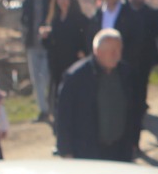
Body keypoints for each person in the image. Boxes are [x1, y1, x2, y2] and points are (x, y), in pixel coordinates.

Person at [53, 30, 143, 161]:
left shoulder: (127, 73)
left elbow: (135, 110)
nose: (117, 55)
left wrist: (134, 140)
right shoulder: (76, 77)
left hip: (120, 150)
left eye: (119, 50)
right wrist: (66, 151)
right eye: (112, 51)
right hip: (88, 152)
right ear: (97, 51)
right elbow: (63, 117)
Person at [41, 0, 93, 108]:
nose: (62, 1)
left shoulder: (80, 19)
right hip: (57, 64)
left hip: (73, 61)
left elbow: (87, 39)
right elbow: (50, 44)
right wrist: (45, 37)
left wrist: (83, 52)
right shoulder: (55, 20)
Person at [18, 0, 53, 122]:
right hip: (32, 44)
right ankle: (43, 110)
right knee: (36, 79)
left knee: (46, 77)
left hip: (48, 46)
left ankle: (51, 106)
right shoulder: (27, 0)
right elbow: (23, 21)